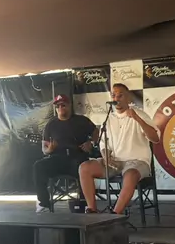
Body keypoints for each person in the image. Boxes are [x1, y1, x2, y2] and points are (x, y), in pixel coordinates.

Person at [80, 83, 160, 215]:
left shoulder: (140, 114)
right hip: (115, 162)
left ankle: (115, 215)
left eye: (120, 95)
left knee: (130, 175)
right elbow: (104, 144)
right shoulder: (109, 118)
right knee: (84, 168)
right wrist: (106, 155)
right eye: (113, 95)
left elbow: (155, 138)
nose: (116, 99)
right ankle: (92, 210)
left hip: (137, 162)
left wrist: (137, 118)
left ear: (128, 98)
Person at [34, 94, 98, 213]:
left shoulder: (81, 120)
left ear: (69, 105)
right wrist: (49, 150)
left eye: (63, 105)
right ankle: (44, 203)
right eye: (57, 106)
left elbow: (96, 132)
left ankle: (85, 204)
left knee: (83, 168)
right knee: (39, 166)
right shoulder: (51, 124)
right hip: (58, 159)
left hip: (78, 158)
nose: (60, 108)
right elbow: (44, 148)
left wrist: (91, 142)